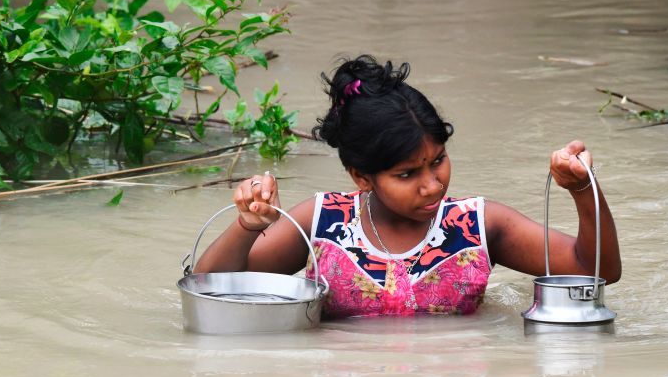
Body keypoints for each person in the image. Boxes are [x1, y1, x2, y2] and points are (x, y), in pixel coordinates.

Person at [194, 55, 621, 318]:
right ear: (361, 177)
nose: (432, 186)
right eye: (406, 174)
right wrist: (247, 226)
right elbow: (211, 291)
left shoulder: (478, 226)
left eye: (438, 161)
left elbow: (597, 270)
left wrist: (584, 190)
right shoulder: (321, 223)